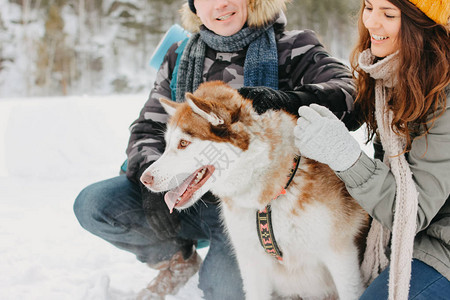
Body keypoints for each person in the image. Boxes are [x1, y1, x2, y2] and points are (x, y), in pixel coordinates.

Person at [73, 0, 357, 299]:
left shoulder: (293, 46)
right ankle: (176, 260)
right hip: (188, 189)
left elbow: (350, 96)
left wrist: (286, 100)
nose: (220, 4)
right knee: (94, 204)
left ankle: (265, 270)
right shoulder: (179, 53)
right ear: (195, 7)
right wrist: (152, 178)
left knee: (224, 291)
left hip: (253, 205)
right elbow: (148, 126)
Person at [293, 0, 450, 299]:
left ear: (422, 24)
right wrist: (291, 101)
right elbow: (352, 101)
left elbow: (411, 213)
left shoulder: (443, 94)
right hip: (405, 235)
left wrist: (346, 157)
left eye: (389, 14)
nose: (371, 22)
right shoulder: (390, 73)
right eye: (368, 7)